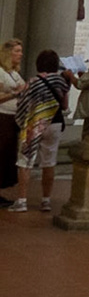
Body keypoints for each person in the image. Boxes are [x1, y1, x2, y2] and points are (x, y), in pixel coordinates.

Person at [12, 49, 67, 213]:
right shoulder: (61, 81)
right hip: (54, 123)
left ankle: (22, 200)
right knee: (49, 162)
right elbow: (64, 105)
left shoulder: (32, 82)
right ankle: (46, 200)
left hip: (34, 124)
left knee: (25, 161)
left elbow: (23, 104)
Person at [0, 39, 23, 207]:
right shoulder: (0, 72)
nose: (20, 54)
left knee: (8, 156)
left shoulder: (14, 73)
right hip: (2, 117)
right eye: (17, 51)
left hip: (13, 117)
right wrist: (16, 94)